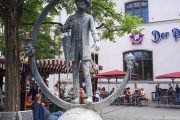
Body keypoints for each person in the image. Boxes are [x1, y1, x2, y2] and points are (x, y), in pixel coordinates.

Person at [61, 0, 100, 104]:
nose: (84, 3)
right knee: (75, 73)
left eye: (85, 2)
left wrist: (96, 41)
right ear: (77, 3)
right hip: (74, 48)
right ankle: (76, 97)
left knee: (86, 73)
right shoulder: (71, 17)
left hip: (85, 48)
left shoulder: (89, 17)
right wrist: (68, 25)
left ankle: (90, 96)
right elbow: (62, 29)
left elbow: (93, 30)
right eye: (81, 1)